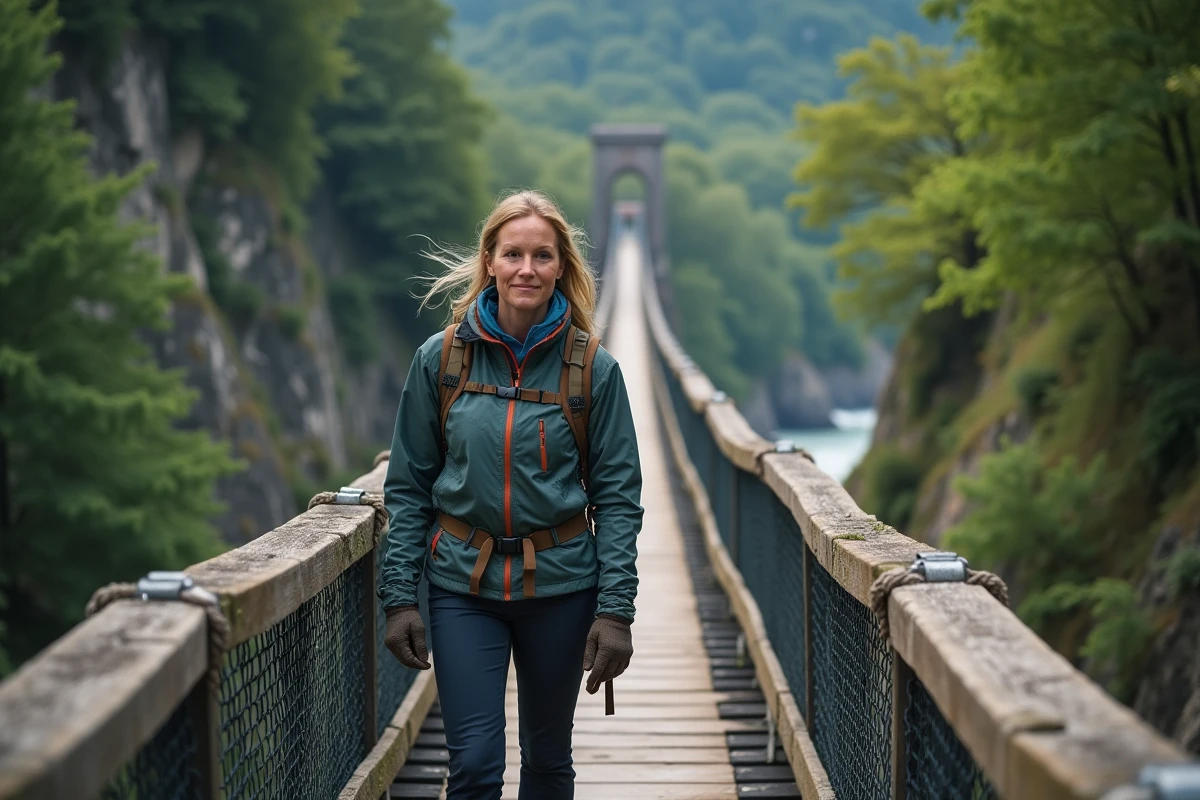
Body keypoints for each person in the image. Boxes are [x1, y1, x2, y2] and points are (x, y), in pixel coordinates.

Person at [378, 190, 643, 799]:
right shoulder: (441, 360)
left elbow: (618, 500)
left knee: (548, 760)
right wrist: (399, 599)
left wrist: (615, 612)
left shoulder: (593, 370)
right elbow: (409, 487)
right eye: (513, 254)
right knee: (473, 764)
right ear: (490, 262)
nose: (527, 269)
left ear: (561, 266)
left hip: (561, 587)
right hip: (462, 586)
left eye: (542, 256)